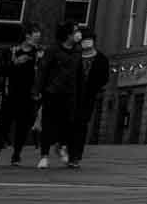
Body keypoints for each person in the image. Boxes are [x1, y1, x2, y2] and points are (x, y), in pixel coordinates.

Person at [0, 24, 42, 166]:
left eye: (38, 39)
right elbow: (0, 69)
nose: (36, 42)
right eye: (35, 38)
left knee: (22, 127)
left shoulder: (38, 54)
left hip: (28, 96)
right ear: (27, 36)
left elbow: (42, 74)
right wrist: (15, 62)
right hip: (10, 94)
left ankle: (16, 155)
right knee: (3, 124)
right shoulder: (11, 51)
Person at [36, 22, 83, 169]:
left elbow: (79, 73)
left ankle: (62, 145)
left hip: (70, 92)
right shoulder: (53, 50)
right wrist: (37, 89)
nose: (78, 34)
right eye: (75, 31)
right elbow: (43, 70)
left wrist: (81, 90)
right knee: (48, 123)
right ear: (67, 34)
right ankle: (44, 156)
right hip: (52, 91)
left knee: (68, 122)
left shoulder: (77, 51)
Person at [68, 33, 111, 166]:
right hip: (72, 95)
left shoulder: (101, 59)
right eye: (84, 40)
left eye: (89, 40)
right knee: (70, 123)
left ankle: (76, 155)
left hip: (88, 97)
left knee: (81, 124)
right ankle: (66, 147)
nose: (86, 43)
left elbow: (105, 78)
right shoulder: (74, 57)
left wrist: (94, 88)